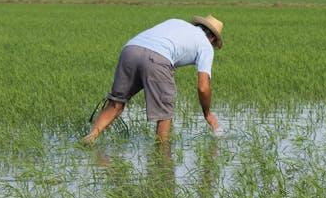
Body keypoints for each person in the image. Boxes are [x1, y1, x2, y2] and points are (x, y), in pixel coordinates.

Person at [82, 15, 224, 147]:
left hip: (130, 50)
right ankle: (162, 157)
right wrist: (207, 114)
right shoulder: (205, 46)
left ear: (199, 25)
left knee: (116, 102)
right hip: (158, 58)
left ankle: (91, 136)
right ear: (212, 39)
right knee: (164, 113)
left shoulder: (176, 22)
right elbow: (203, 87)